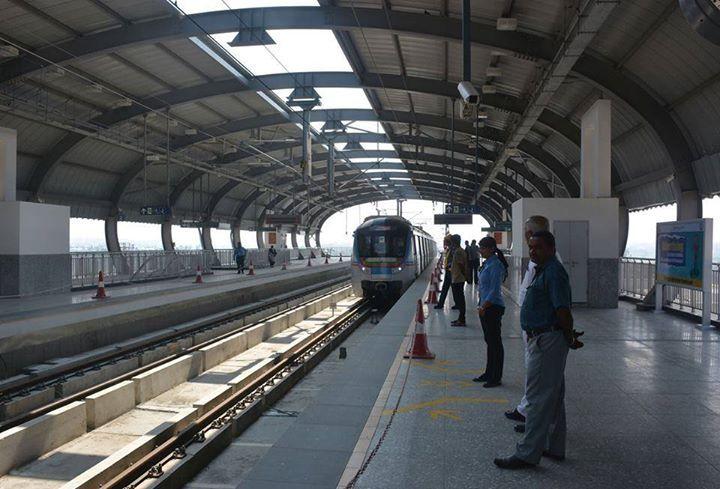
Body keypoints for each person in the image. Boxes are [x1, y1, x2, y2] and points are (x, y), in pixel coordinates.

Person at [494, 231, 583, 470]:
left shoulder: (554, 273)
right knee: (553, 396)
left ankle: (527, 453)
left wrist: (568, 335)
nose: (533, 251)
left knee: (536, 398)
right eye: (531, 247)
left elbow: (562, 310)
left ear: (552, 248)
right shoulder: (544, 269)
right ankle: (553, 446)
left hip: (547, 340)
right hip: (545, 338)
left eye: (538, 247)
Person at [505, 216, 560, 430]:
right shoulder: (537, 261)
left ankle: (533, 421)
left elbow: (561, 306)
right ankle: (526, 411)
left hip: (542, 333)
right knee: (533, 375)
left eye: (528, 234)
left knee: (538, 378)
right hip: (533, 330)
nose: (531, 247)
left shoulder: (551, 266)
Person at [473, 236, 509, 388]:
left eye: (482, 248)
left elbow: (494, 290)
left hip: (492, 307)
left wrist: (484, 306)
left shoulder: (496, 266)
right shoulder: (487, 263)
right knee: (489, 341)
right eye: (480, 247)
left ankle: (496, 377)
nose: (480, 250)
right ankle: (488, 372)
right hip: (485, 306)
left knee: (495, 343)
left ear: (491, 249)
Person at [449, 234, 468, 326]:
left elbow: (461, 265)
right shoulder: (459, 251)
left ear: (453, 242)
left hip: (458, 278)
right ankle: (460, 319)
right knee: (459, 299)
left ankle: (462, 319)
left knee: (460, 299)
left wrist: (465, 275)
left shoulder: (458, 252)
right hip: (457, 278)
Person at [435, 235, 453, 309]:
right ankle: (440, 304)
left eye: (445, 241)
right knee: (446, 288)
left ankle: (441, 304)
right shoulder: (449, 249)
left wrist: (449, 266)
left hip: (451, 272)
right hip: (449, 272)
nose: (444, 242)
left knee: (454, 290)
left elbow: (453, 261)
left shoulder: (453, 250)